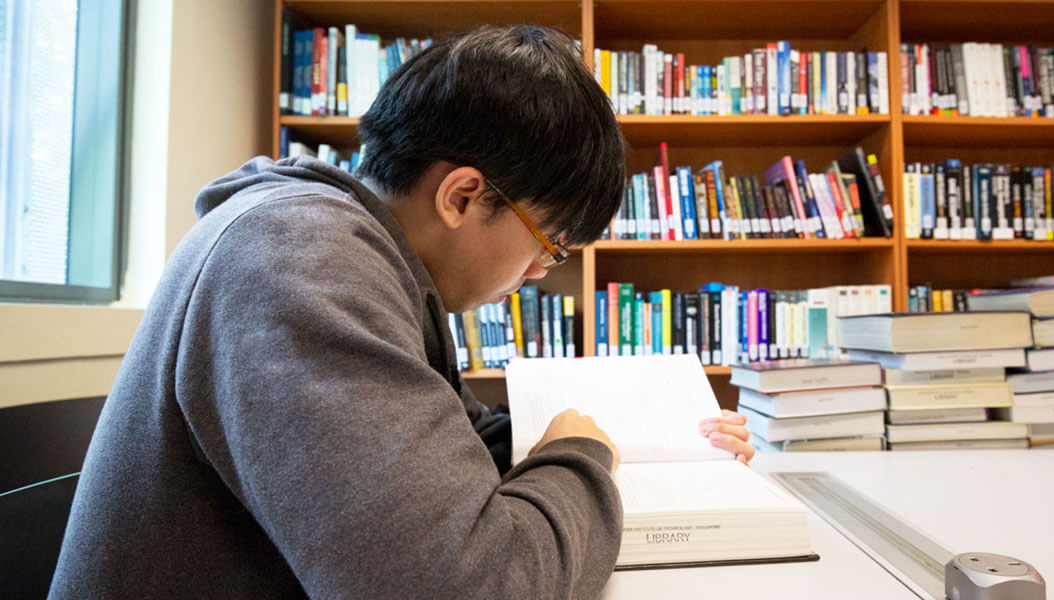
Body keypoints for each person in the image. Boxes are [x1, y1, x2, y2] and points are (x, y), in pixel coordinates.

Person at [50, 25, 752, 599]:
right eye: (549, 243)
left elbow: (438, 441)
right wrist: (580, 458)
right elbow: (470, 586)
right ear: (462, 197)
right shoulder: (301, 262)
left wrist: (646, 438)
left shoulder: (347, 248)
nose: (540, 271)